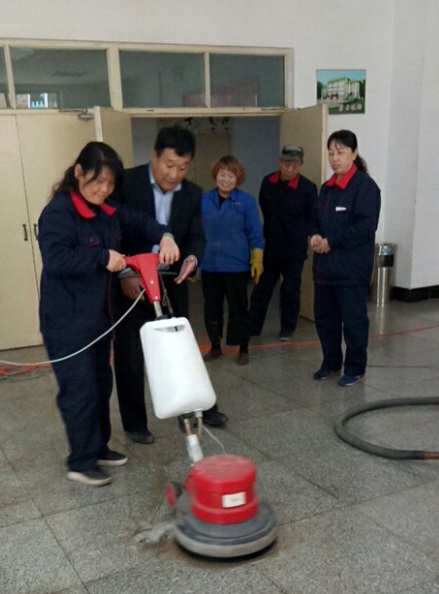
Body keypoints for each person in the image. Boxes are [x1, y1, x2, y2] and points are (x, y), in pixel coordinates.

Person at [38, 141, 180, 487]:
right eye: (98, 181)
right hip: (67, 323)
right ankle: (80, 461)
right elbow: (56, 259)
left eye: (110, 183)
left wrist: (165, 236)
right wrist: (102, 258)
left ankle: (98, 448)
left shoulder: (107, 210)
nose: (104, 189)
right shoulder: (58, 213)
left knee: (101, 386)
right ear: (78, 173)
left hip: (99, 320)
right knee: (80, 391)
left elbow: (139, 221)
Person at [112, 125, 227, 441]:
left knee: (183, 349)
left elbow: (196, 237)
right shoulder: (126, 183)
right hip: (131, 283)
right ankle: (135, 424)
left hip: (170, 282)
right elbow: (112, 231)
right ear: (154, 156)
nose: (175, 174)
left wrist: (192, 259)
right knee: (130, 355)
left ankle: (198, 409)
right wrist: (124, 274)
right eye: (169, 165)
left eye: (183, 167)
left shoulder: (191, 193)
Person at [310, 130, 381, 387]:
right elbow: (315, 219)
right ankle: (330, 363)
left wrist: (331, 242)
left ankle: (355, 368)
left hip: (351, 270)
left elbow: (365, 227)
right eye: (331, 153)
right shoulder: (327, 188)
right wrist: (314, 236)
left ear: (354, 153)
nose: (334, 158)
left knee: (353, 322)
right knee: (326, 320)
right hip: (324, 270)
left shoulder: (365, 187)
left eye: (340, 152)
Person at [249, 144, 318, 340]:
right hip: (270, 247)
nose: (290, 169)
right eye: (287, 164)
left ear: (301, 164)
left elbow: (312, 218)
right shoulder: (268, 182)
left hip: (294, 250)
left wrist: (311, 236)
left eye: (295, 165)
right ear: (280, 162)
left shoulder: (307, 188)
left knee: (290, 290)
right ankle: (252, 326)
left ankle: (287, 328)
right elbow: (264, 209)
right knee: (261, 289)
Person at [201, 155, 264, 366]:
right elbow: (195, 233)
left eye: (231, 175)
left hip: (236, 265)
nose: (226, 179)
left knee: (239, 308)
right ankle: (215, 346)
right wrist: (191, 261)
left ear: (238, 178)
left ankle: (243, 348)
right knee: (212, 307)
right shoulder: (204, 200)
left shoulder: (246, 202)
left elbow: (255, 232)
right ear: (216, 175)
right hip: (210, 265)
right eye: (222, 174)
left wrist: (257, 258)